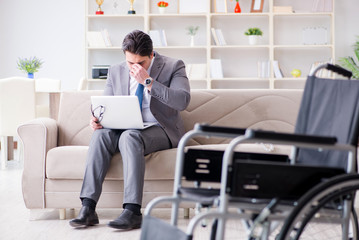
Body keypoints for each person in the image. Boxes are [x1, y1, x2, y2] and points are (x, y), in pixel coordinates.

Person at [69, 30, 191, 230]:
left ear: (152, 55)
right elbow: (105, 104)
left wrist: (148, 81)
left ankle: (133, 211)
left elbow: (182, 101)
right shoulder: (116, 70)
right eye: (130, 62)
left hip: (159, 128)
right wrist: (97, 119)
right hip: (124, 125)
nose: (135, 67)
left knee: (130, 137)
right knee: (100, 135)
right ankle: (88, 208)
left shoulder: (173, 66)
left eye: (141, 63)